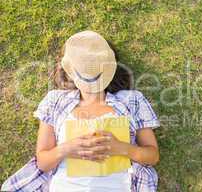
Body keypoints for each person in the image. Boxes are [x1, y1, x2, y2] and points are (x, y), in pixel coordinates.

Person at [1, 30, 160, 192]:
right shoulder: (55, 101)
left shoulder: (131, 101)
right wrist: (67, 149)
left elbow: (152, 156)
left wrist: (120, 148)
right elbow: (42, 162)